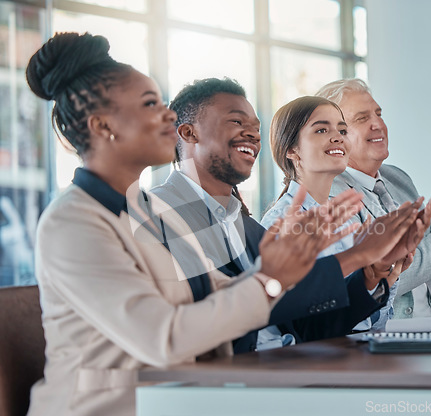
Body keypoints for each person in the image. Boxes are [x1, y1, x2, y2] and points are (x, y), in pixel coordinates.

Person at [25, 32, 366, 416]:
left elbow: (215, 300)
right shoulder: (72, 223)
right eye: (151, 104)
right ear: (104, 126)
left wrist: (298, 262)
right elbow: (166, 337)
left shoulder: (141, 211)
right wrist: (272, 276)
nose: (169, 115)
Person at [151, 78, 429, 349]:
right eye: (236, 121)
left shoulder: (247, 229)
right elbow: (205, 324)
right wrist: (354, 257)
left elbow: (306, 327)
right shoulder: (159, 215)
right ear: (189, 133)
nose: (252, 134)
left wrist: (374, 273)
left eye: (255, 126)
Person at [317, 78, 431, 319]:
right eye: (362, 118)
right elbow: (378, 280)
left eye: (378, 113)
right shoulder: (330, 194)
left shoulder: (398, 178)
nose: (378, 123)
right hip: (386, 346)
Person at [260, 95, 431, 330]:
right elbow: (301, 326)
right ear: (291, 150)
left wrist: (386, 273)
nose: (337, 138)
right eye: (321, 130)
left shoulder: (346, 223)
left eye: (342, 131)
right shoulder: (280, 224)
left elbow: (369, 322)